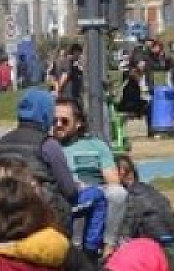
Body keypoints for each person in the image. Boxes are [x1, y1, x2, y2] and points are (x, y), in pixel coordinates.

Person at [0, 88, 81, 228]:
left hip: (6, 213)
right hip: (44, 214)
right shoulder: (48, 144)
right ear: (47, 114)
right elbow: (69, 190)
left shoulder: (0, 144)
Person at [54, 97, 128, 254]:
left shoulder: (97, 146)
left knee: (118, 193)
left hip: (96, 190)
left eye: (64, 121)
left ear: (78, 123)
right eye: (54, 121)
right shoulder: (49, 147)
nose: (58, 125)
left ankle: (109, 246)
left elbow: (113, 181)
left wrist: (93, 189)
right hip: (65, 193)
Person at [113, 153, 174, 244]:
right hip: (170, 242)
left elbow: (126, 233)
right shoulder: (150, 190)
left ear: (120, 173)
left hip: (154, 246)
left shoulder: (133, 195)